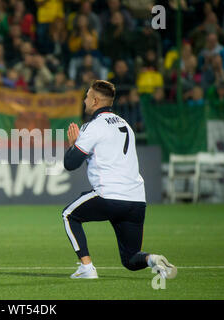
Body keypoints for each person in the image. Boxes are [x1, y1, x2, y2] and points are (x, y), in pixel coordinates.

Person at [61, 80, 177, 280]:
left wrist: (73, 144)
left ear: (96, 101)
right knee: (131, 259)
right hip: (136, 200)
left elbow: (70, 163)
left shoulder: (93, 126)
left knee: (69, 215)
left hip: (109, 196)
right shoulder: (125, 124)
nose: (84, 100)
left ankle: (87, 268)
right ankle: (153, 259)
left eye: (87, 96)